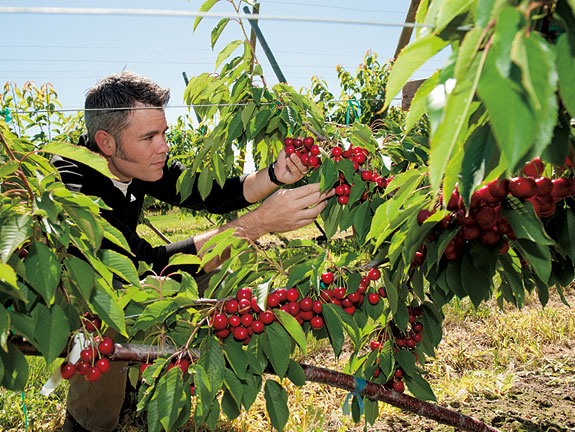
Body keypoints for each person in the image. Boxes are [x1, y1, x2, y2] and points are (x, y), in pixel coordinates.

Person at [52, 71, 333, 432]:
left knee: (221, 275)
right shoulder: (74, 188)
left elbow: (206, 192)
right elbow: (144, 268)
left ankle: (149, 370)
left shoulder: (134, 162)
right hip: (71, 292)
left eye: (164, 133)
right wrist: (257, 224)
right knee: (111, 317)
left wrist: (276, 174)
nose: (164, 146)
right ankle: (87, 421)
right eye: (150, 137)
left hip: (128, 274)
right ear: (106, 143)